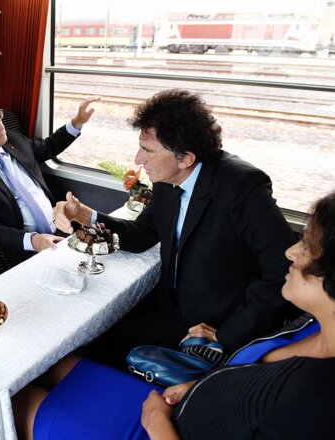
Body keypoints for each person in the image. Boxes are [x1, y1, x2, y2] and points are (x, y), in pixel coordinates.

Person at [15, 191, 335, 440]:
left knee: (15, 398)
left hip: (161, 428)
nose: (290, 252)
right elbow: (253, 373)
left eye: (308, 247)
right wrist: (197, 384)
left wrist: (157, 423)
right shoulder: (311, 324)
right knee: (47, 365)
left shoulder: (315, 403)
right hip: (185, 401)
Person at [54, 89, 296, 365]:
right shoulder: (167, 181)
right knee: (86, 341)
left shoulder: (242, 187)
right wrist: (87, 215)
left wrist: (229, 333)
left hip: (213, 324)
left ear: (186, 159)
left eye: (147, 150)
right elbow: (141, 235)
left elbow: (284, 270)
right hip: (170, 305)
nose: (137, 159)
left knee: (93, 356)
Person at [0, 93, 99, 256]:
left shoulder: (13, 140)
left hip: (62, 228)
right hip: (26, 249)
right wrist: (34, 241)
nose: (0, 125)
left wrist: (77, 122)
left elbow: (48, 147)